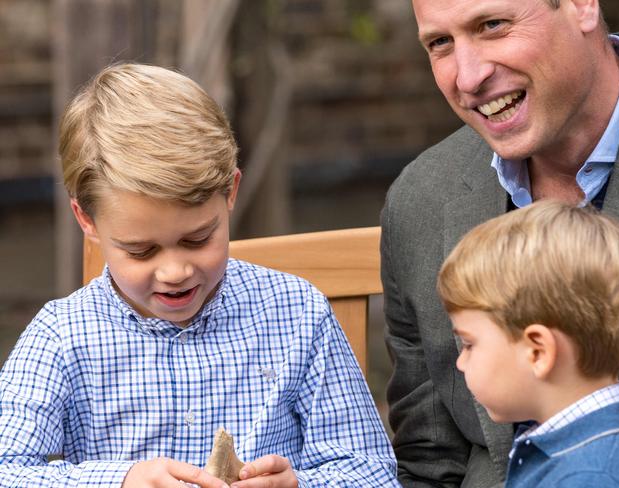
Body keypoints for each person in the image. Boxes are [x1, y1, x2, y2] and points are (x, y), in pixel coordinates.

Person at [0, 63, 399, 487]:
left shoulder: (296, 312)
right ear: (87, 220)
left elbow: (371, 471)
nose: (175, 271)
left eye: (197, 240)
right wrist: (120, 480)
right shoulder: (61, 337)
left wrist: (299, 485)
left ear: (230, 192)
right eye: (141, 250)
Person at [381, 0, 619, 486]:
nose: (467, 78)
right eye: (440, 42)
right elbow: (430, 462)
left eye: (492, 25)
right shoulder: (420, 200)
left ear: (582, 6)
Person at [436, 200, 619, 487]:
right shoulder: (582, 448)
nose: (460, 362)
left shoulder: (589, 478)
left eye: (469, 344)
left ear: (538, 351)